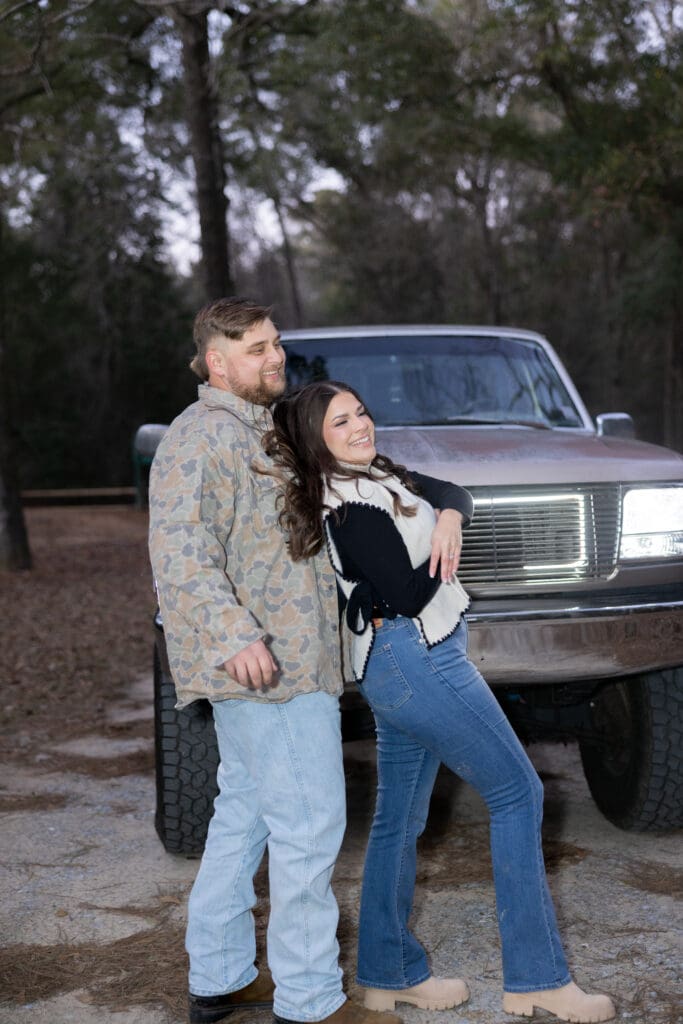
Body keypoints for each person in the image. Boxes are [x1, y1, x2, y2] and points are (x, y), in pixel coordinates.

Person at [264, 379, 617, 1024]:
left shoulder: (378, 475)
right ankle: (537, 979)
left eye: (361, 412)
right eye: (340, 422)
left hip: (411, 656)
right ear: (315, 440)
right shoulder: (346, 503)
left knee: (399, 820)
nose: (360, 426)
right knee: (519, 793)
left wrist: (450, 517)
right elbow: (405, 595)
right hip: (413, 660)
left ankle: (387, 974)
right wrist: (409, 574)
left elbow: (453, 493)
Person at [148, 300, 401, 1024]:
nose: (272, 358)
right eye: (254, 349)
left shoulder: (266, 431)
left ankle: (222, 978)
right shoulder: (199, 438)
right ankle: (312, 1001)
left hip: (291, 656)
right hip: (265, 662)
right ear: (215, 362)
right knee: (311, 825)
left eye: (275, 345)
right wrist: (234, 636)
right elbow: (179, 552)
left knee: (246, 816)